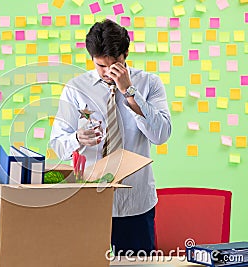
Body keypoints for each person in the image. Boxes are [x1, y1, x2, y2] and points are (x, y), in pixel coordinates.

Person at [49, 19, 171, 255]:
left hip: (136, 202)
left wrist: (129, 91)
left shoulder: (149, 83)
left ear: (125, 54)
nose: (106, 73)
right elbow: (57, 144)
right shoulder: (76, 89)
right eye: (100, 66)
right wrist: (77, 138)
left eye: (114, 65)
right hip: (89, 203)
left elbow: (161, 135)